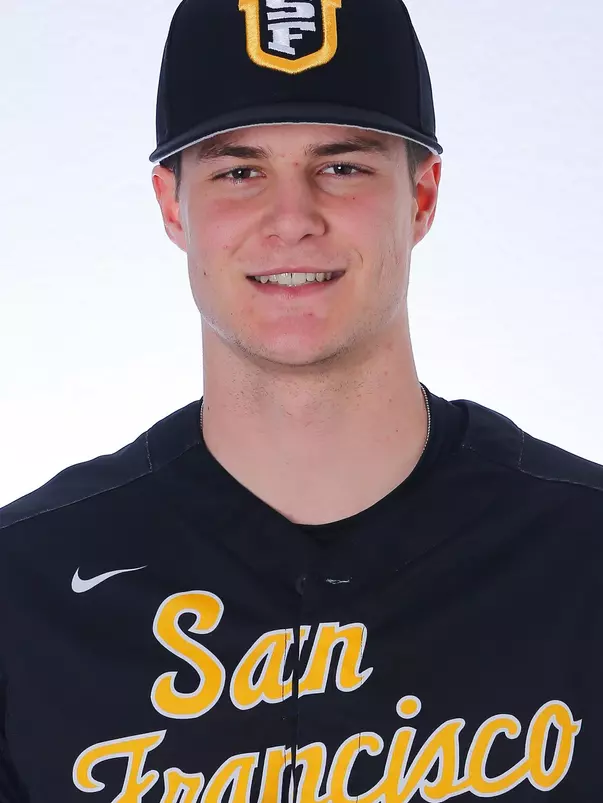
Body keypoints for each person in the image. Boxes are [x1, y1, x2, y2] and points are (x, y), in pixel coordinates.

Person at [1, 0, 602, 800]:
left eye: (342, 165)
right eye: (238, 170)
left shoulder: (581, 563)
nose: (292, 219)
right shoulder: (25, 591)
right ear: (173, 205)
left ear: (421, 196)